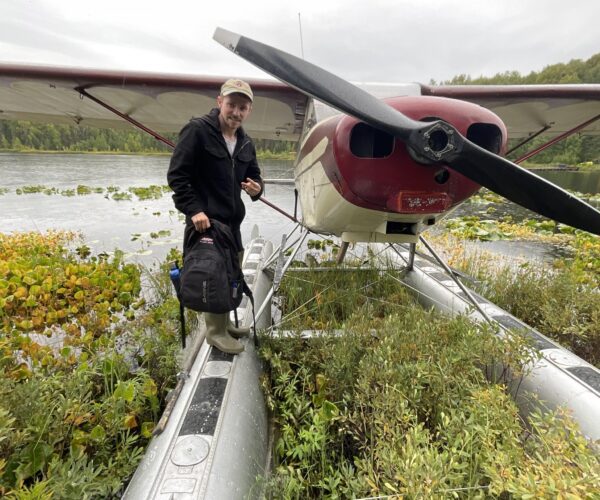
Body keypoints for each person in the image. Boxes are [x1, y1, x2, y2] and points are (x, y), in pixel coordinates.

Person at [167, 79, 264, 354]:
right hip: (206, 222)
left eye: (242, 107)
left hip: (233, 223)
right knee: (212, 275)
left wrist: (257, 188)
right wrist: (194, 210)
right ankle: (215, 333)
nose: (236, 112)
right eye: (232, 104)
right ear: (219, 102)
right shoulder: (197, 131)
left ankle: (226, 324)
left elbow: (253, 175)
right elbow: (177, 176)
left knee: (231, 272)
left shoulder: (245, 142)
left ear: (249, 111)